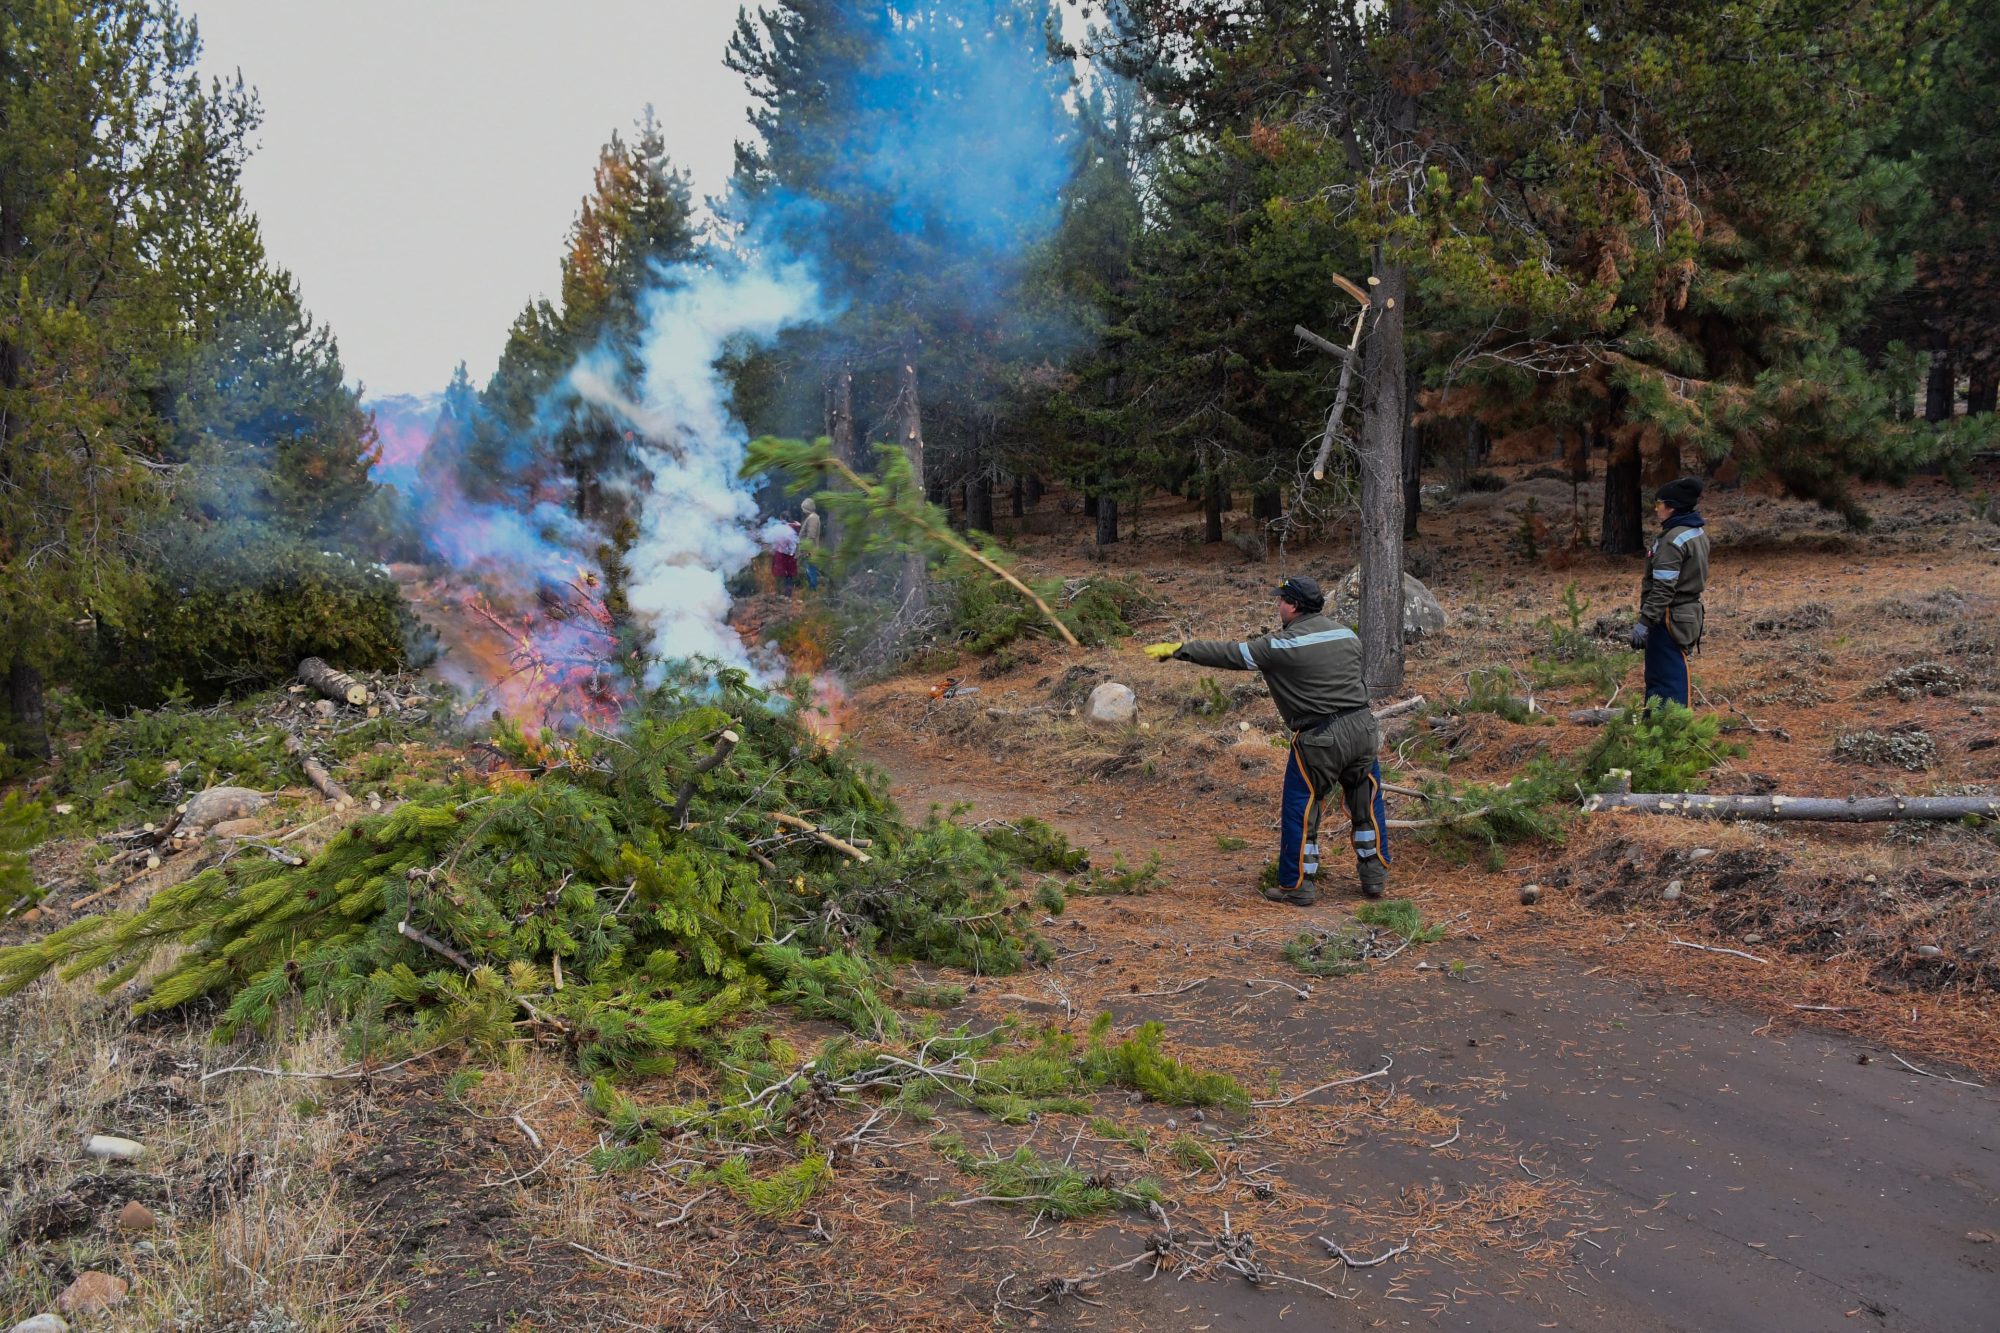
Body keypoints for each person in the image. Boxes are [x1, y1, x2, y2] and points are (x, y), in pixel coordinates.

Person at [1145, 576, 1388, 904]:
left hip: (1320, 739)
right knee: (1367, 804)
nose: (1277, 606)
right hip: (1364, 729)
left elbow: (1229, 654)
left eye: (1280, 600)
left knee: (1301, 810)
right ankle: (1374, 878)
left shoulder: (1280, 646)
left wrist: (1180, 650)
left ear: (1294, 606)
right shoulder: (1347, 635)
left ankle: (1298, 885)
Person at [1630, 476, 1710, 709]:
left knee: (1666, 679)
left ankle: (1668, 733)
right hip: (1687, 614)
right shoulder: (1696, 532)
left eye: (1659, 505)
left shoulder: (1672, 541)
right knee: (1670, 673)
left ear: (1672, 507)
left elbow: (1663, 588)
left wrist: (1645, 622)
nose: (1657, 510)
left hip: (1669, 617)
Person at [769, 518, 800, 596]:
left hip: (782, 555)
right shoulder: (794, 528)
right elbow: (795, 543)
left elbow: (778, 542)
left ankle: (781, 593)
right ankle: (787, 593)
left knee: (781, 574)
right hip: (790, 556)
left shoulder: (785, 530)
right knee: (789, 575)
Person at [798, 498, 823, 592]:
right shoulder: (813, 517)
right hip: (810, 550)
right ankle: (811, 589)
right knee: (809, 570)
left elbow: (811, 536)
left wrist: (807, 550)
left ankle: (813, 591)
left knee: (811, 571)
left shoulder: (812, 518)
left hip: (810, 551)